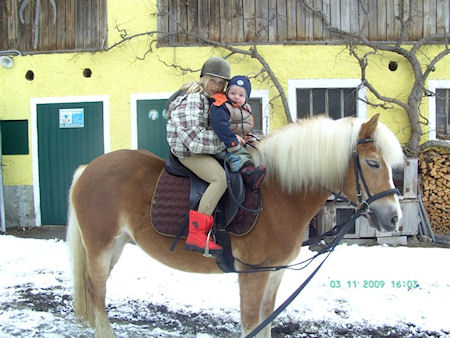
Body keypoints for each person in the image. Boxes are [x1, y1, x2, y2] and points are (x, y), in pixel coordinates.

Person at [166, 57, 231, 256]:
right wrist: (229, 142)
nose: (217, 86)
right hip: (188, 152)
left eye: (222, 83)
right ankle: (197, 233)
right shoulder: (194, 97)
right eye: (213, 80)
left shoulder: (209, 99)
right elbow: (194, 139)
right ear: (203, 79)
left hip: (201, 148)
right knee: (220, 179)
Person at [209, 75, 266, 190]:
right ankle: (247, 174)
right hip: (223, 143)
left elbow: (245, 127)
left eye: (241, 95)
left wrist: (250, 138)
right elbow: (221, 127)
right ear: (227, 92)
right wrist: (233, 142)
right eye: (233, 93)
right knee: (239, 156)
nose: (236, 97)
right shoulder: (222, 106)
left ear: (246, 97)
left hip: (238, 141)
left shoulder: (245, 109)